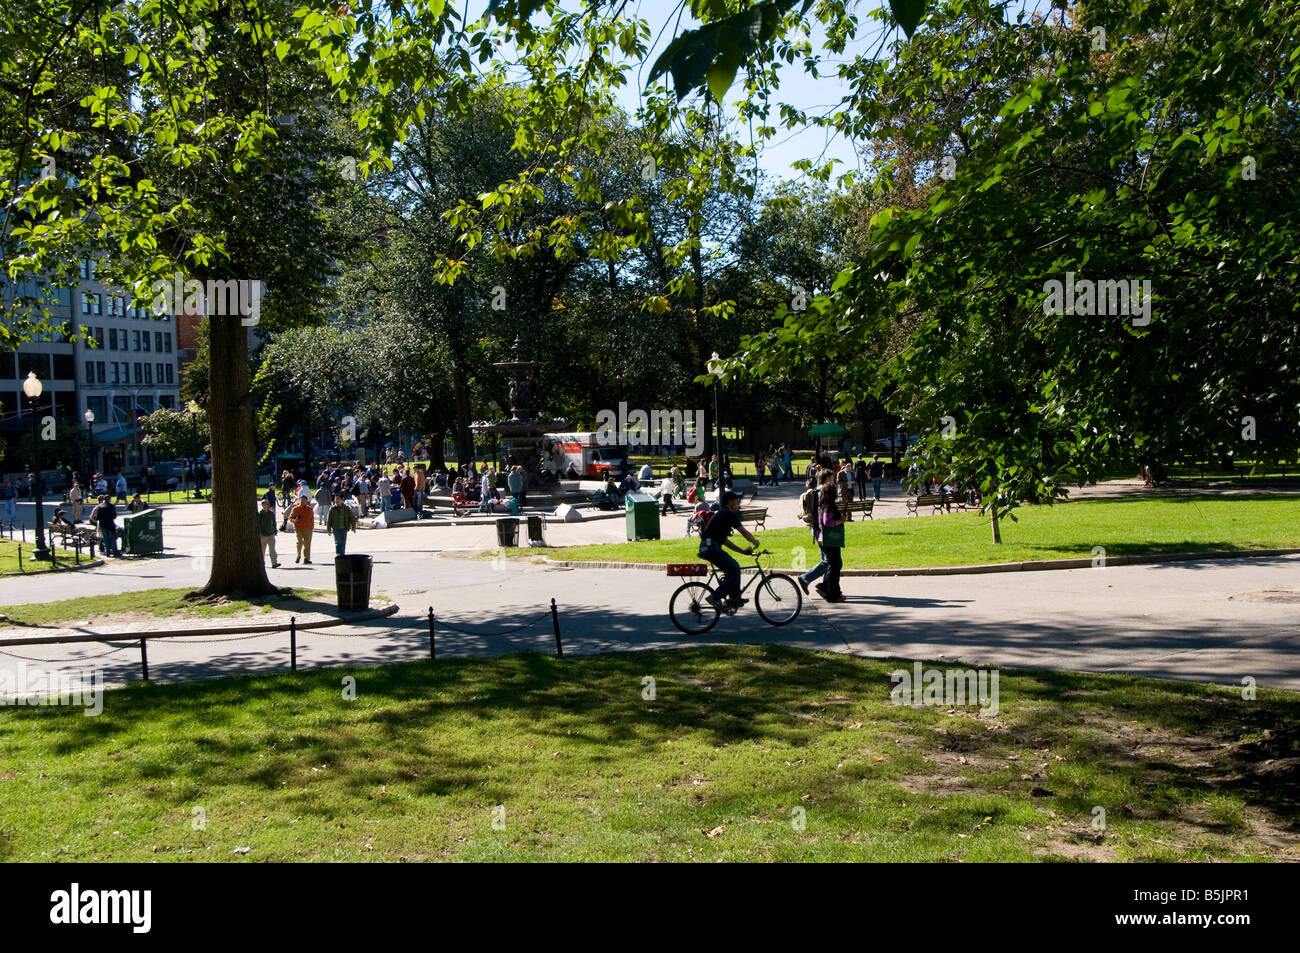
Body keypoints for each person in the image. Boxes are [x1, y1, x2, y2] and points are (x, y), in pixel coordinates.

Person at [698, 490, 760, 612]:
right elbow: (743, 531)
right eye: (737, 500)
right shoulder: (728, 514)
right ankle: (715, 597)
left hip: (708, 547)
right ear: (730, 502)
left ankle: (734, 598)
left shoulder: (723, 514)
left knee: (734, 567)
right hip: (710, 548)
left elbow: (725, 541)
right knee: (734, 569)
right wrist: (754, 541)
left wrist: (742, 551)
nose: (739, 503)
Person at [816, 482, 846, 602]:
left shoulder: (822, 505)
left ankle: (826, 587)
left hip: (823, 539)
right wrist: (841, 520)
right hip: (829, 540)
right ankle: (832, 593)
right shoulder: (829, 506)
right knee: (835, 565)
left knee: (834, 564)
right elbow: (827, 522)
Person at [289, 494, 315, 563]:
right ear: (299, 500)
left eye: (304, 500)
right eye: (301, 500)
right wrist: (295, 520)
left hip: (308, 528)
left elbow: (312, 519)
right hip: (298, 528)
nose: (303, 501)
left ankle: (306, 558)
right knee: (299, 542)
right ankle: (298, 556)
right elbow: (290, 518)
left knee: (307, 544)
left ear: (307, 501)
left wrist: (312, 526)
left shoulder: (309, 509)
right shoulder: (295, 509)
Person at [257, 498, 280, 569]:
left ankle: (274, 563)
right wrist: (260, 533)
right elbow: (258, 525)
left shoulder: (271, 513)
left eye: (268, 504)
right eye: (266, 504)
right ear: (263, 505)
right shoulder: (260, 514)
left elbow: (274, 522)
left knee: (272, 550)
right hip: (263, 535)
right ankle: (261, 563)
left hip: (271, 534)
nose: (268, 505)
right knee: (262, 551)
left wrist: (275, 530)